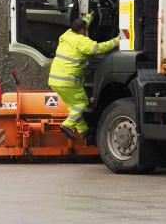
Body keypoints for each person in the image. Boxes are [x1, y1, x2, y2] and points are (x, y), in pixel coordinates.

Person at [48, 14, 120, 142]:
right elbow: (98, 48)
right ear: (82, 30)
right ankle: (67, 125)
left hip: (55, 80)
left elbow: (81, 23)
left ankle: (84, 132)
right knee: (82, 103)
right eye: (85, 30)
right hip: (69, 80)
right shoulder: (82, 41)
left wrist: (89, 17)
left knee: (74, 107)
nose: (86, 32)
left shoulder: (66, 35)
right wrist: (117, 40)